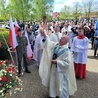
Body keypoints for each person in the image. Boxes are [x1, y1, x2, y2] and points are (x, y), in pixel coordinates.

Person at [39, 34, 77, 98]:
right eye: (61, 38)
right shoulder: (56, 45)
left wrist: (57, 62)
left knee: (61, 83)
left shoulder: (67, 51)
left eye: (62, 38)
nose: (60, 39)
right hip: (53, 69)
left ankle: (62, 95)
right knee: (53, 81)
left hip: (60, 71)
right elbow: (48, 43)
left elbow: (67, 63)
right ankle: (53, 94)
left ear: (66, 41)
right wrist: (45, 36)